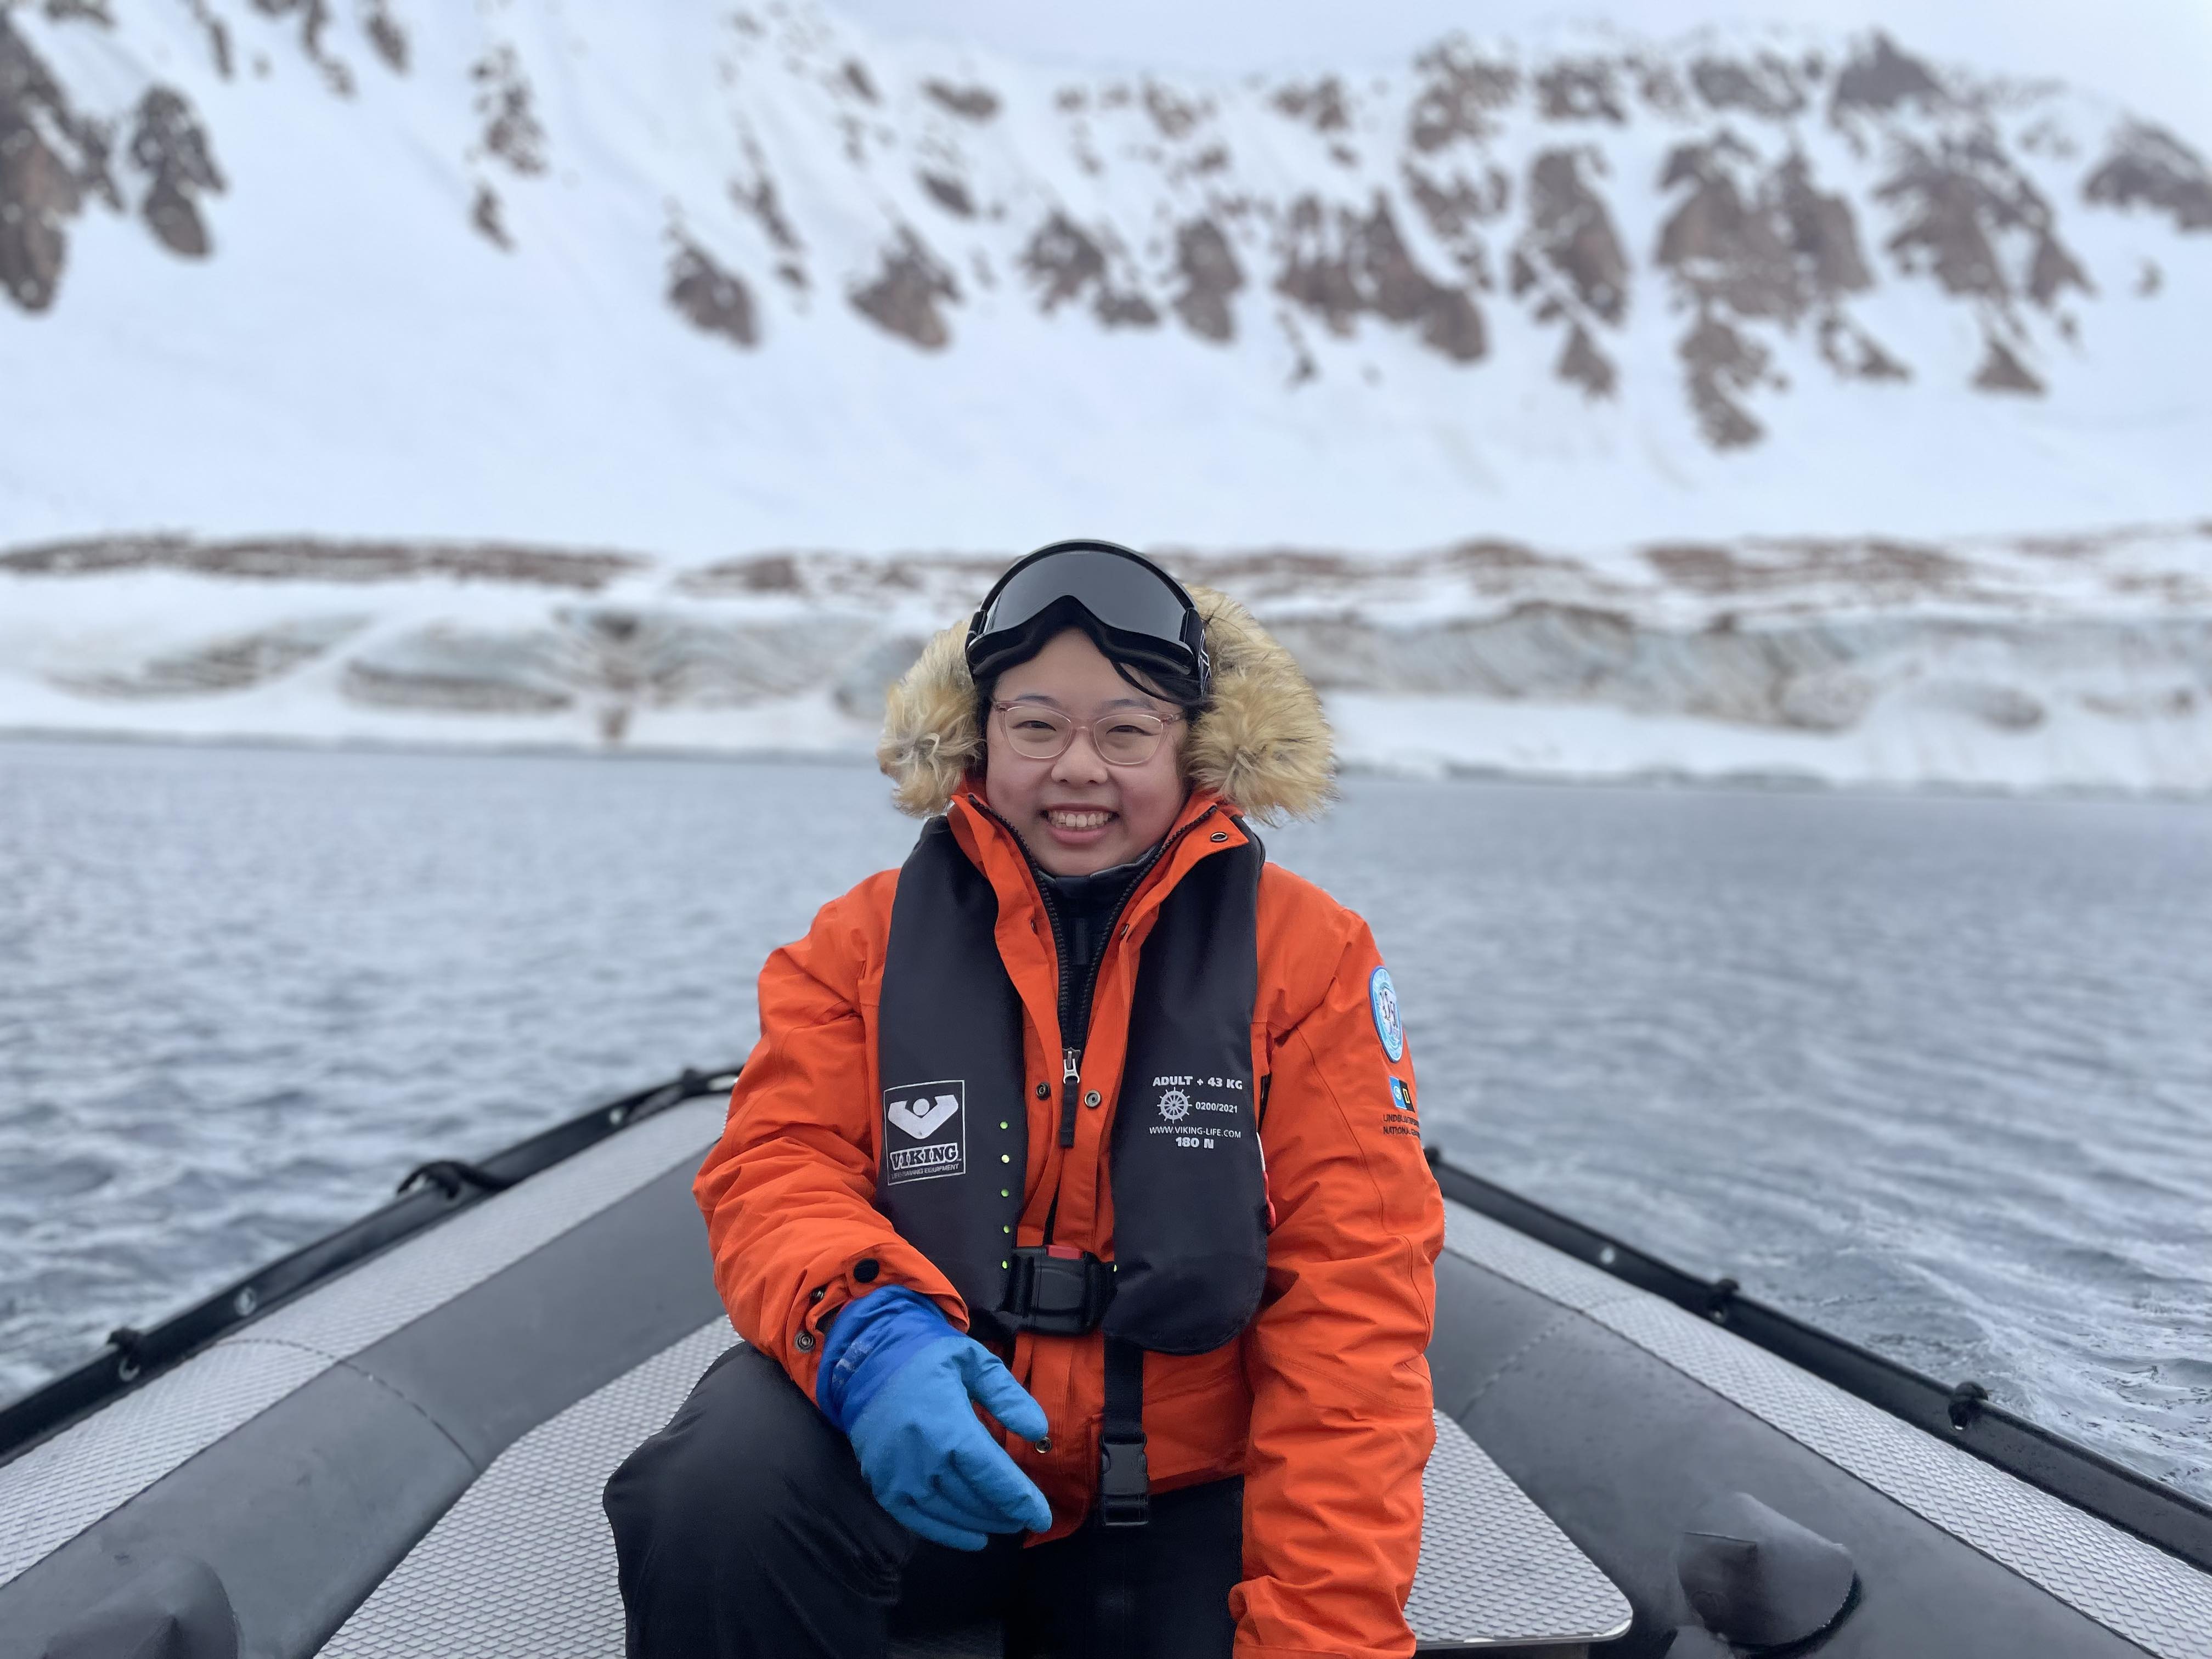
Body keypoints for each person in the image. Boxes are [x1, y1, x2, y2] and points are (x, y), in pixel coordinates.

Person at [605, 541, 1445, 1659]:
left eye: (1127, 731)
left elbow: (1354, 1298)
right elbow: (779, 1166)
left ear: (1195, 746)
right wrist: (868, 1338)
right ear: (979, 738)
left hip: (1178, 1493)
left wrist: (1323, 1632)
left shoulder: (1312, 957)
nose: (1078, 769)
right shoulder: (856, 943)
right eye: (1037, 726)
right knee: (713, 1494)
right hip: (913, 1439)